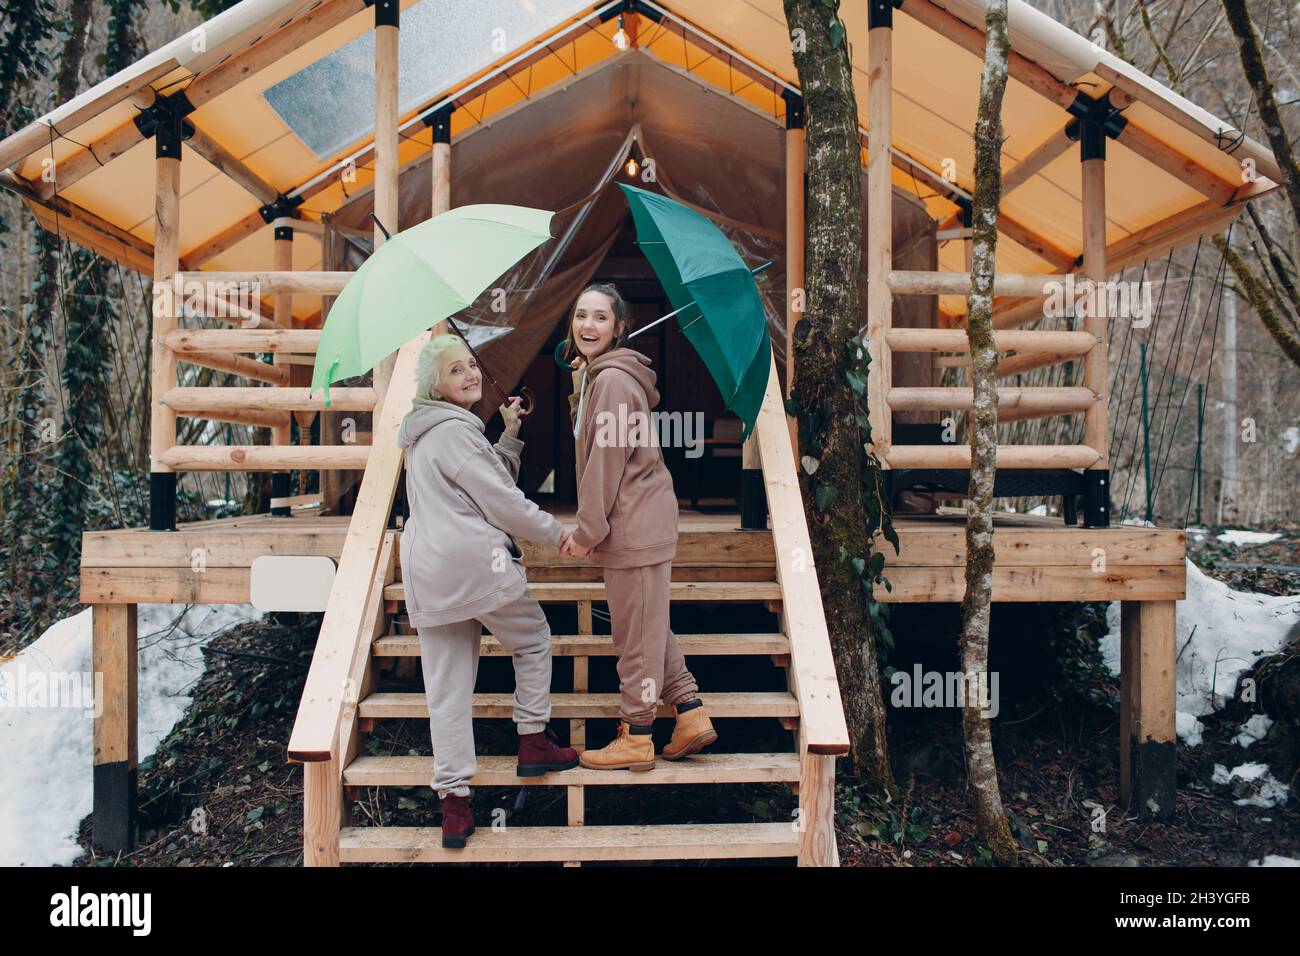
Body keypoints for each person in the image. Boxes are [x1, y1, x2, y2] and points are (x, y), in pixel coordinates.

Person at [397, 333, 578, 849]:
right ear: (436, 385)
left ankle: (454, 806)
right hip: (477, 565)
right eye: (456, 370)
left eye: (471, 365)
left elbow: (483, 480)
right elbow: (501, 501)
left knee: (448, 690)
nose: (471, 374)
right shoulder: (454, 432)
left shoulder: (428, 432)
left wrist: (511, 432)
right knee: (533, 640)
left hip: (431, 573)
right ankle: (533, 741)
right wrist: (555, 533)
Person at [559, 283, 718, 771]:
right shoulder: (603, 378)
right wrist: (578, 386)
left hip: (632, 524)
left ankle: (637, 732)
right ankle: (689, 712)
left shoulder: (610, 381)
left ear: (619, 327)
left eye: (600, 318)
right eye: (581, 316)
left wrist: (586, 531)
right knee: (650, 627)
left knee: (634, 640)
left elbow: (604, 462)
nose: (588, 325)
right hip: (639, 522)